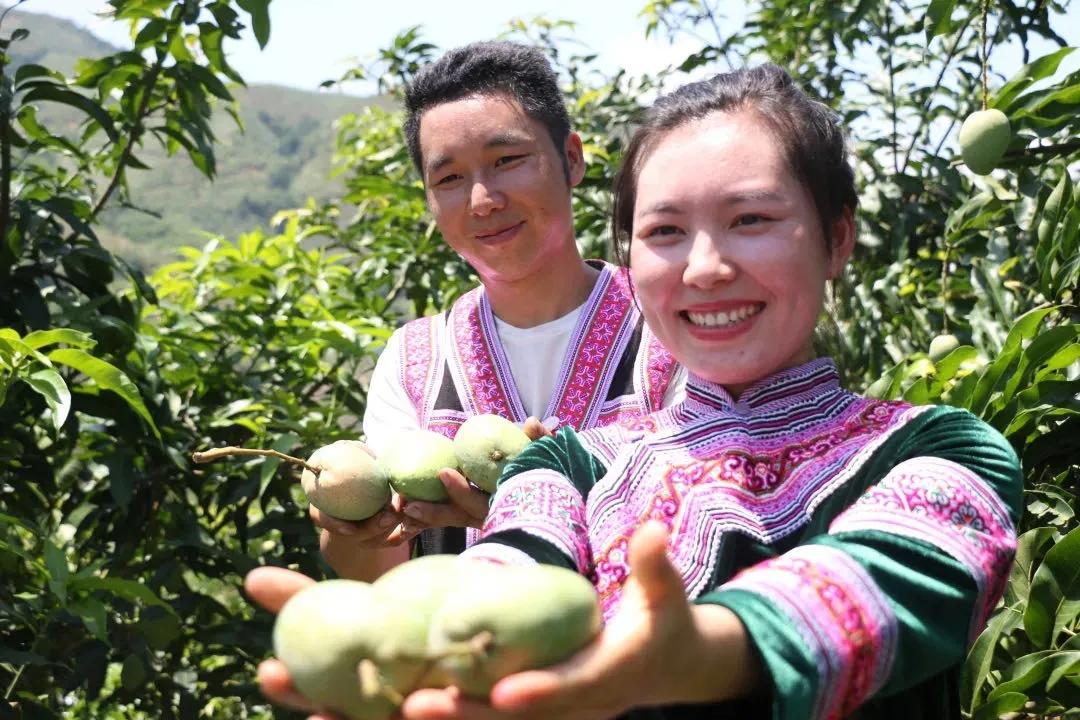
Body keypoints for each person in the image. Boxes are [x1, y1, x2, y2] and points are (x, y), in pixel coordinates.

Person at [248, 63, 1021, 719]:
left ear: (838, 238)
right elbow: (513, 565)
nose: (705, 266)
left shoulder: (941, 449)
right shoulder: (568, 466)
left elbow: (895, 578)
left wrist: (701, 650)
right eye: (665, 233)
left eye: (751, 218)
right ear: (631, 256)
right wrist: (417, 653)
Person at [314, 43, 683, 586]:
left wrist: (534, 513)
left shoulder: (670, 326)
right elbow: (376, 573)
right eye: (449, 179)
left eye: (507, 161)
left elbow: (719, 524)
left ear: (572, 158)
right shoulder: (417, 361)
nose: (482, 200)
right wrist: (348, 523)